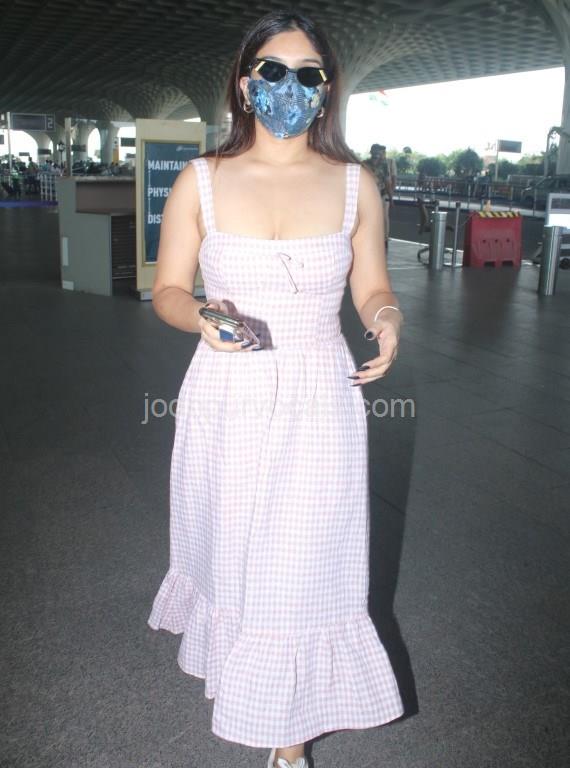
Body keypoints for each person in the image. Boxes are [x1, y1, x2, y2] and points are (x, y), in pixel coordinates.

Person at [147, 10, 404, 768]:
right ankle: (255, 692)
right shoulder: (202, 181)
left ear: (327, 90)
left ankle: (285, 744)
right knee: (236, 554)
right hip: (227, 392)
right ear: (243, 82)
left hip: (320, 397)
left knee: (302, 564)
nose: (289, 88)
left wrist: (387, 321)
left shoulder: (355, 185)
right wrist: (200, 315)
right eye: (272, 71)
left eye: (308, 74)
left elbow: (373, 288)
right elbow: (166, 289)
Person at [363, 143, 396, 251]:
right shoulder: (364, 164)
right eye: (375, 151)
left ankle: (384, 239)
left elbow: (388, 182)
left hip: (382, 194)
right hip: (368, 196)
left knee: (384, 218)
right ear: (371, 152)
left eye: (378, 151)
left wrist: (391, 198)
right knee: (368, 217)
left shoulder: (384, 165)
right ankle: (370, 238)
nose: (376, 153)